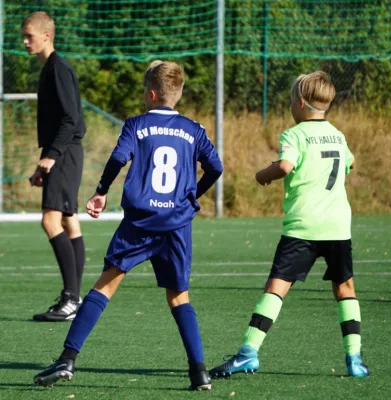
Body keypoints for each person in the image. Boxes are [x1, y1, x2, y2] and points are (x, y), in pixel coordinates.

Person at [33, 60, 223, 391]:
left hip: (140, 221)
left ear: (151, 94)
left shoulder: (136, 125)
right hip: (176, 223)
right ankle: (199, 371)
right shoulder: (194, 129)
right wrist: (192, 196)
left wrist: (101, 191)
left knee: (105, 285)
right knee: (179, 296)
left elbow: (119, 158)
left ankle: (67, 359)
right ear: (175, 94)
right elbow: (216, 167)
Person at [209, 71, 370, 379]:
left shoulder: (294, 135)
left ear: (299, 103)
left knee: (277, 288)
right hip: (337, 224)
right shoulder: (338, 134)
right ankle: (355, 359)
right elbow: (349, 163)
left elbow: (285, 165)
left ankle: (247, 353)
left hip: (303, 225)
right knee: (345, 288)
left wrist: (262, 175)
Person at [22, 11, 86, 321]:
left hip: (65, 153)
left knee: (51, 221)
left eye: (29, 36)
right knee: (70, 222)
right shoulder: (49, 69)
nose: (24, 41)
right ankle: (71, 297)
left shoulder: (59, 69)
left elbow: (71, 119)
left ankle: (72, 299)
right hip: (61, 153)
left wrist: (53, 155)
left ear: (47, 35)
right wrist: (43, 161)